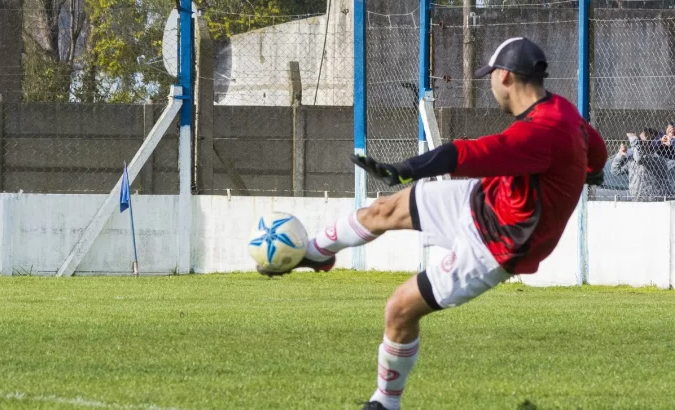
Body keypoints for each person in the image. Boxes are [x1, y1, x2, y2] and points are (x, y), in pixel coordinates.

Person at [256, 37, 608, 410]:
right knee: (384, 210)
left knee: (399, 308)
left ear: (504, 76)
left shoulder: (541, 131)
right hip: (484, 200)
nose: (489, 85)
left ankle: (385, 403)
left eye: (490, 77)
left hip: (495, 244)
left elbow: (468, 153)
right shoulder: (562, 110)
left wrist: (406, 170)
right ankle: (314, 253)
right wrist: (591, 171)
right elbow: (596, 148)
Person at [611, 128, 675, 201]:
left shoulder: (658, 157)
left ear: (650, 142)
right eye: (638, 140)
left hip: (657, 202)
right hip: (637, 201)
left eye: (640, 140)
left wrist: (634, 139)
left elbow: (640, 158)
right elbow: (615, 171)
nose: (638, 142)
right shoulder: (632, 159)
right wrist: (620, 155)